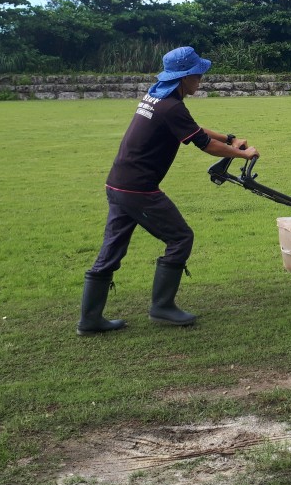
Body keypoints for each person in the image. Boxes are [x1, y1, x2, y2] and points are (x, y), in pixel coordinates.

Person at [77, 46, 259, 336]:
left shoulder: (157, 96)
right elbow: (205, 145)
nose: (201, 79)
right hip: (139, 189)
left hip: (118, 184)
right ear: (184, 77)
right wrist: (244, 154)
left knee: (112, 248)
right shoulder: (170, 106)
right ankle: (162, 307)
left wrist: (230, 138)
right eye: (198, 74)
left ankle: (89, 319)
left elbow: (194, 130)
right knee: (180, 236)